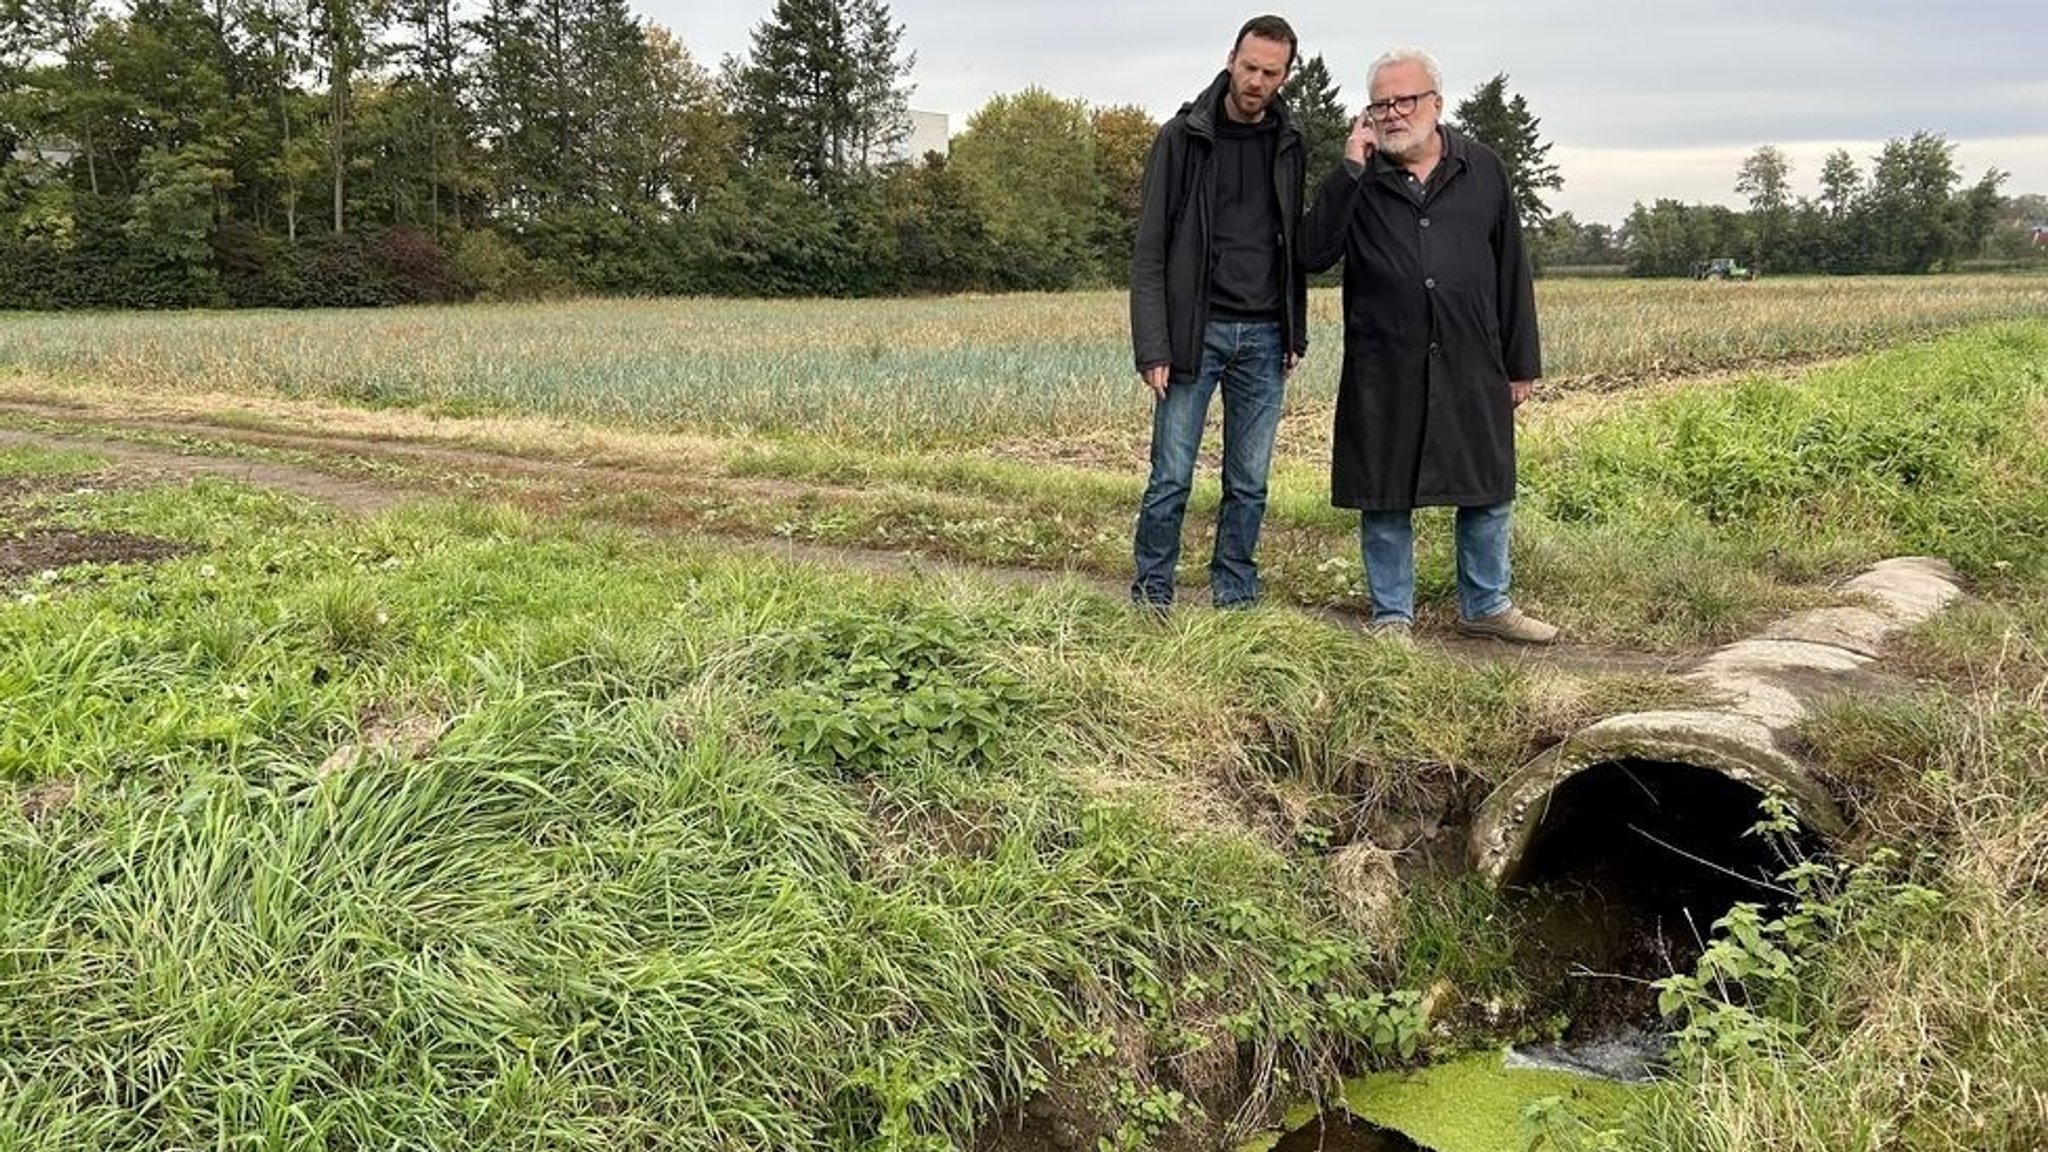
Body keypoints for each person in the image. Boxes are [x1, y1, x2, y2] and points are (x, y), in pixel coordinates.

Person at [1299, 47, 1558, 644]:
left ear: (1435, 104)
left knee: (1485, 488)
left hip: (1473, 357)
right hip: (1384, 363)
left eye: (1404, 100)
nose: (1392, 114)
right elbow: (1312, 254)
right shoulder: (1360, 180)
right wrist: (1348, 170)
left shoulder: (1484, 168)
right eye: (1380, 104)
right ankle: (1393, 615)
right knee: (1386, 494)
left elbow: (1511, 270)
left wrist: (1521, 363)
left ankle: (1487, 605)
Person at [1128, 14, 1309, 611]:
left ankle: (1234, 595)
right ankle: (1153, 594)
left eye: (1270, 73)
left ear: (1285, 76)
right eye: (1249, 66)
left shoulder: (1289, 144)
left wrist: (1294, 331)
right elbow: (1151, 248)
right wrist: (1154, 345)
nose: (1256, 81)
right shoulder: (1182, 137)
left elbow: (1293, 247)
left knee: (1249, 482)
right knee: (1171, 477)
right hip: (1192, 335)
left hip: (1264, 335)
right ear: (1231, 58)